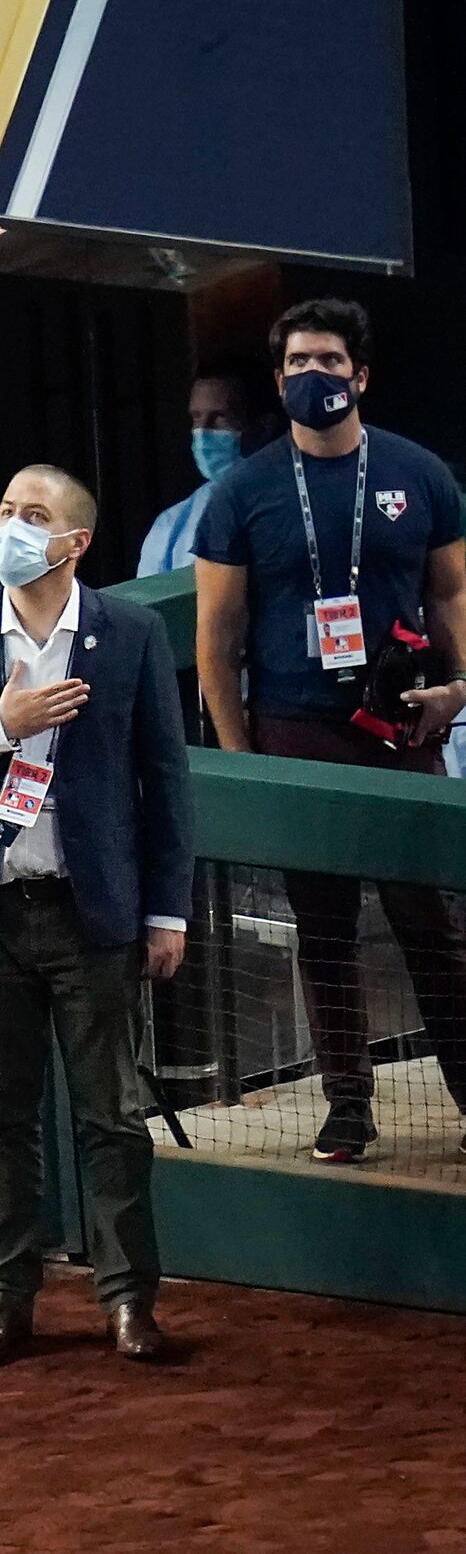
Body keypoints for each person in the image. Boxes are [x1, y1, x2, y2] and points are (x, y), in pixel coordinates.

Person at [0, 464, 191, 1365]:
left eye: (34, 515)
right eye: (4, 510)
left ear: (75, 543)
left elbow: (165, 786)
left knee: (111, 1118)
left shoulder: (130, 634)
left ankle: (128, 1300)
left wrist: (168, 913)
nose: (13, 526)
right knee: (2, 1120)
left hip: (91, 911)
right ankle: (4, 1300)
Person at [193, 297, 466, 1164]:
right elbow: (217, 635)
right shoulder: (242, 490)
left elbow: (453, 595)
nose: (315, 375)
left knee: (429, 920)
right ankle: (348, 1102)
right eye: (298, 363)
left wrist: (458, 691)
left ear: (362, 375)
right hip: (295, 728)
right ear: (279, 380)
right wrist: (242, 759)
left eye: (330, 360)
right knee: (324, 928)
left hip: (401, 724)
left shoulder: (421, 474)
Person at [137, 368, 254, 578]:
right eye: (196, 417)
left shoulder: (294, 504)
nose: (203, 430)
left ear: (264, 426)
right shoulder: (172, 525)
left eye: (220, 417)